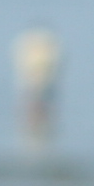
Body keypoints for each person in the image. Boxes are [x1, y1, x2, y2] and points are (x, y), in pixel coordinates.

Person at [14, 24, 63, 152]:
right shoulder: (47, 43)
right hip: (35, 80)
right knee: (37, 102)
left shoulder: (30, 42)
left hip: (39, 80)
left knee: (39, 101)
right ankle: (37, 128)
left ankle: (39, 129)